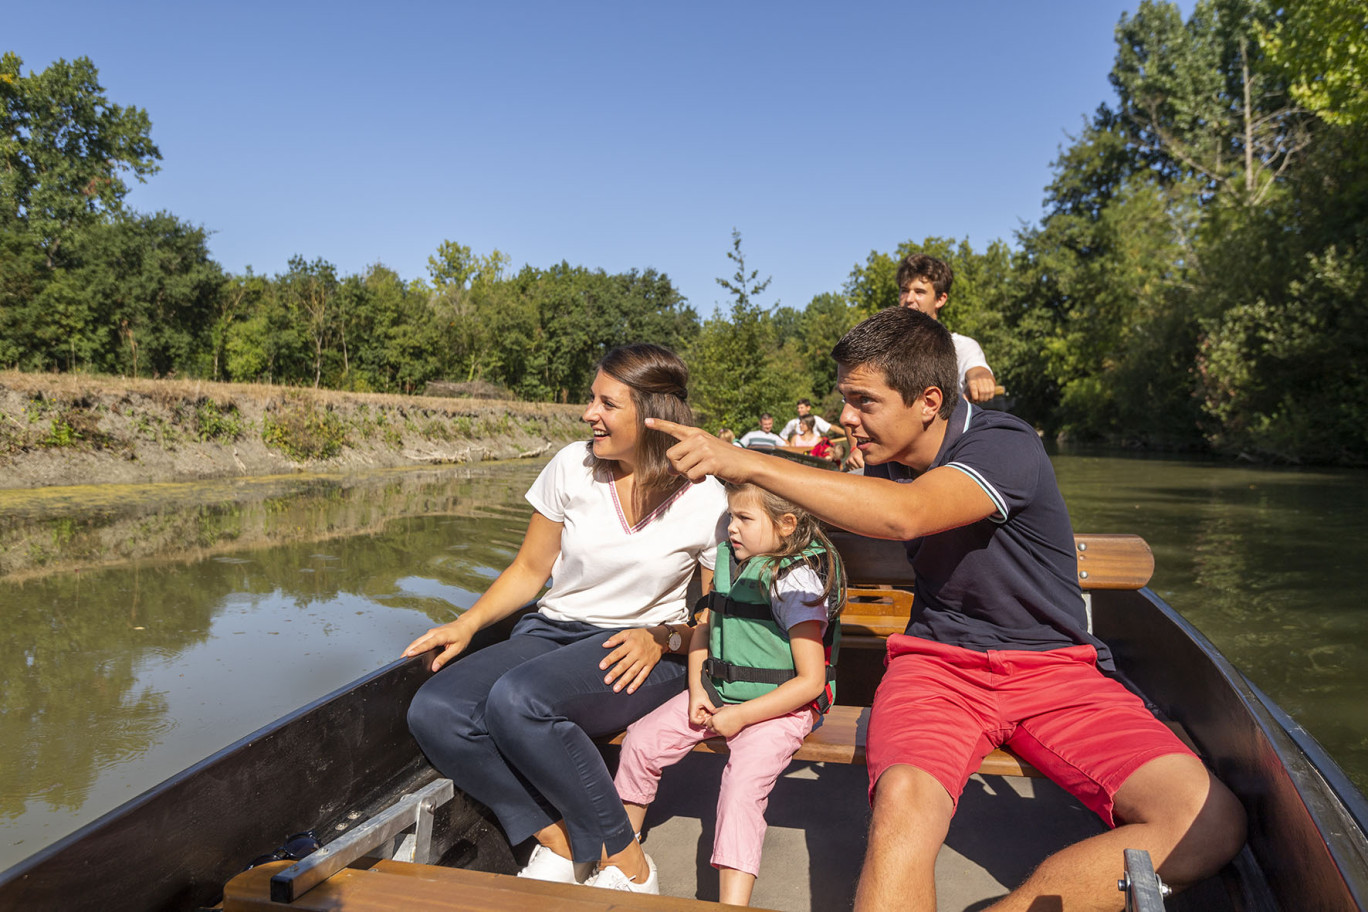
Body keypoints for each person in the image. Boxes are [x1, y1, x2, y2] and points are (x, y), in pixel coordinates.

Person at [642, 308, 1247, 911]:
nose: (847, 417)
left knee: (1207, 822)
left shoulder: (1003, 444)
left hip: (1056, 668)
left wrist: (744, 460)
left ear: (929, 400)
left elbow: (907, 514)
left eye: (864, 402)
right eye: (844, 400)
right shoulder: (883, 461)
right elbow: (812, 515)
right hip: (936, 667)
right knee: (903, 798)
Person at [403, 343, 728, 892]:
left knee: (519, 700)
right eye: (590, 399)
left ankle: (627, 860)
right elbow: (531, 569)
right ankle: (556, 838)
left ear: (652, 416)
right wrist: (466, 624)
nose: (587, 414)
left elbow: (720, 616)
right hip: (553, 632)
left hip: (647, 649)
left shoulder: (705, 495)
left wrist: (662, 638)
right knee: (435, 710)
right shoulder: (572, 465)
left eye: (606, 403)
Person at [605, 482, 845, 904]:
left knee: (741, 786)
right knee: (641, 742)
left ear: (786, 525)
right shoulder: (730, 564)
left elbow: (809, 682)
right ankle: (624, 862)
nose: (731, 528)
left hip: (781, 709)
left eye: (744, 519)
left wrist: (742, 716)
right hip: (718, 693)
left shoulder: (795, 582)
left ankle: (732, 902)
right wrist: (698, 689)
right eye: (730, 517)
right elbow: (704, 631)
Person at [897, 253, 996, 404]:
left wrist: (980, 378)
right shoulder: (886, 348)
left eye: (919, 292)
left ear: (940, 299)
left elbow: (976, 369)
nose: (909, 299)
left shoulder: (961, 346)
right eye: (904, 290)